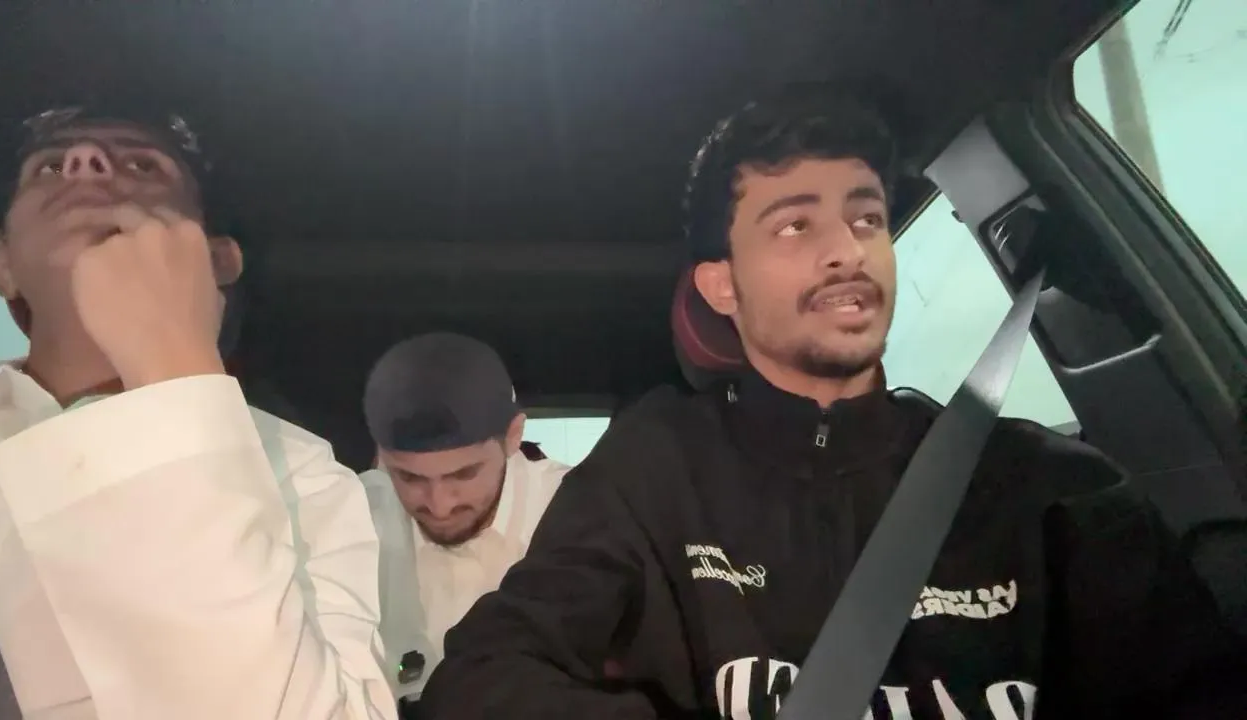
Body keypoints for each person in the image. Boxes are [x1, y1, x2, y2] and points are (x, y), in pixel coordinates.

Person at [418, 86, 1247, 719]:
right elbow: (485, 675)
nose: (846, 250)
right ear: (722, 286)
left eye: (867, 219)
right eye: (794, 226)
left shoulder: (1046, 483)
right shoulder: (656, 467)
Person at [0, 105, 398, 719]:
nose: (85, 162)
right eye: (50, 167)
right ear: (4, 267)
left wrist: (175, 367)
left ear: (214, 260)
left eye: (142, 165)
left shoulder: (304, 477)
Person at [357, 332, 569, 703]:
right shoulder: (351, 517)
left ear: (514, 436)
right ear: (381, 453)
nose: (439, 506)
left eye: (464, 474)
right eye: (409, 477)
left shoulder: (578, 511)